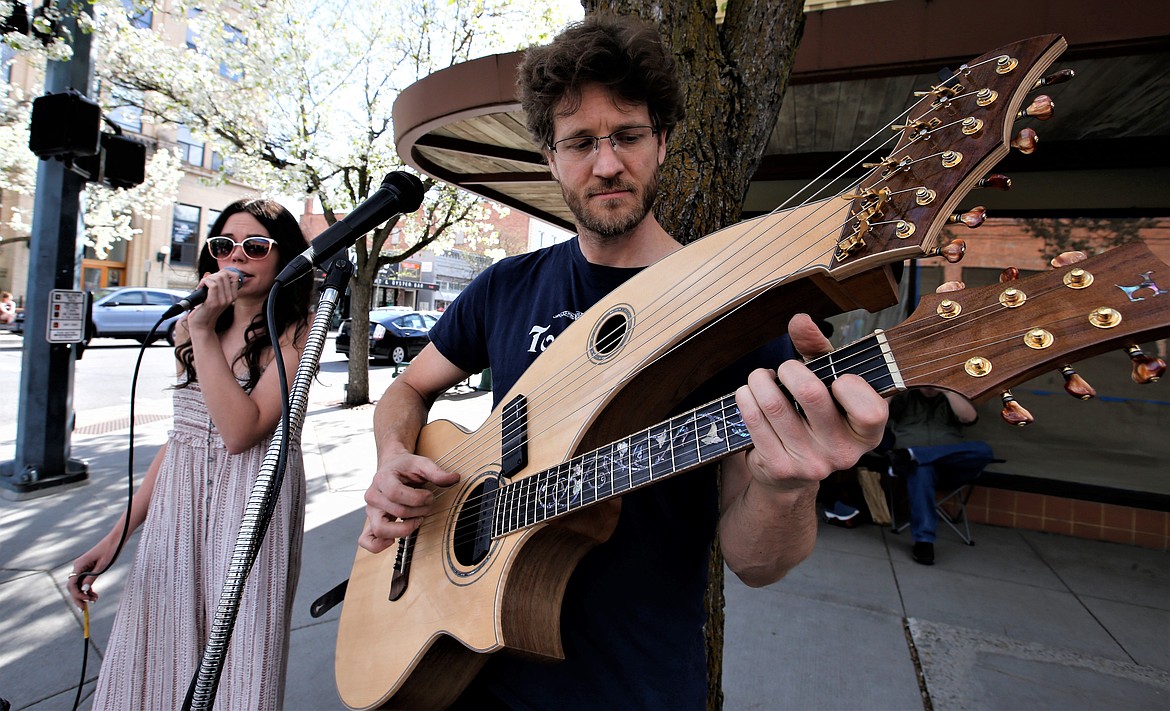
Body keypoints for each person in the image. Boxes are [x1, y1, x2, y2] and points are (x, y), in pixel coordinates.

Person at [360, 15, 887, 709]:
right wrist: (393, 455)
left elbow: (758, 562)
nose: (606, 164)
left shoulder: (730, 314)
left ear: (662, 143)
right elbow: (406, 388)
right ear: (550, 158)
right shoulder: (504, 287)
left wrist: (789, 488)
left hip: (634, 686)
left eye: (628, 136)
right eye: (580, 142)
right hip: (470, 675)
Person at [69, 199, 314, 710]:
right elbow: (181, 442)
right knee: (157, 648)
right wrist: (115, 539)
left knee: (237, 661)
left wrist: (201, 331)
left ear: (284, 256)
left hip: (251, 508)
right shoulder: (195, 328)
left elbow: (240, 432)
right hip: (179, 509)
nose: (237, 258)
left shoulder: (299, 331)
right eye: (224, 246)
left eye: (255, 247)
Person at [886, 387, 995, 566]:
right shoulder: (906, 398)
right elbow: (879, 413)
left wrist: (947, 390)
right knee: (922, 468)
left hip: (950, 467)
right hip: (914, 469)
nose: (929, 388)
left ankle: (915, 453)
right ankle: (924, 542)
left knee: (984, 450)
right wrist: (900, 387)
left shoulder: (951, 398)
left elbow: (970, 418)